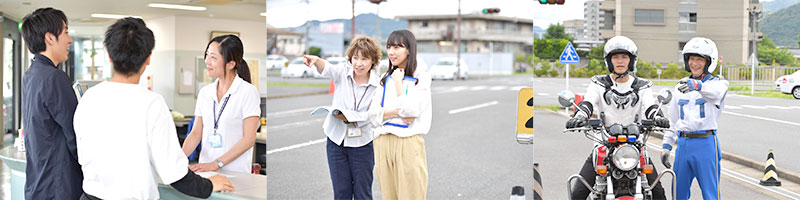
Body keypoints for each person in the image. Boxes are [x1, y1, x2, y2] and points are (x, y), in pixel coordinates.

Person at [72, 17, 234, 199]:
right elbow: (174, 173)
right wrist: (209, 185)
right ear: (148, 58)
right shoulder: (152, 103)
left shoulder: (89, 98)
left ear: (109, 56)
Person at [565, 36, 668, 199]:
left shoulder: (642, 85)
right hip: (603, 146)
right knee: (578, 193)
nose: (620, 61)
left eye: (624, 57)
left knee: (658, 193)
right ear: (609, 60)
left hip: (636, 147)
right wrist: (579, 116)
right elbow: (588, 102)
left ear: (631, 60)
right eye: (615, 57)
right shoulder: (598, 83)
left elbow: (650, 107)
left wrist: (659, 117)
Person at [302, 35, 382, 200]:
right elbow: (328, 68)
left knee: (363, 194)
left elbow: (373, 115)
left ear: (373, 61)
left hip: (362, 145)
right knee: (341, 193)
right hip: (336, 142)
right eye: (355, 58)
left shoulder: (378, 86)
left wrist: (350, 117)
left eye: (364, 59)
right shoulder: (342, 72)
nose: (358, 63)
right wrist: (316, 60)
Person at [20, 7, 83, 199]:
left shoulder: (31, 74)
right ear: (49, 38)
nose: (69, 40)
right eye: (65, 32)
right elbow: (75, 135)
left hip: (39, 183)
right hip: (60, 186)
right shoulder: (55, 78)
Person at [367, 30, 432, 200]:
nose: (391, 52)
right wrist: (397, 113)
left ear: (409, 50)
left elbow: (412, 111)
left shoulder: (421, 77)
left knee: (412, 195)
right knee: (388, 196)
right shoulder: (384, 77)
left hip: (407, 142)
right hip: (382, 142)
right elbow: (373, 115)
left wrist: (398, 83)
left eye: (397, 47)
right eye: (389, 47)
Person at [181, 34, 261, 173]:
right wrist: (178, 160)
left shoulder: (247, 92)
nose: (207, 61)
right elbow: (195, 134)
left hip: (236, 173)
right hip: (205, 172)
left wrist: (216, 164)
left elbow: (248, 139)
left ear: (231, 64)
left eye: (213, 57)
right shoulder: (205, 93)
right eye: (207, 55)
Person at [661, 37, 728, 200]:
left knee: (710, 194)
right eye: (691, 59)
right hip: (683, 144)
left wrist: (697, 86)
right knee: (678, 193)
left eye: (699, 59)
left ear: (708, 62)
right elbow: (673, 119)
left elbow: (715, 94)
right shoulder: (680, 87)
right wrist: (666, 145)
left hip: (705, 143)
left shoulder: (718, 83)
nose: (694, 63)